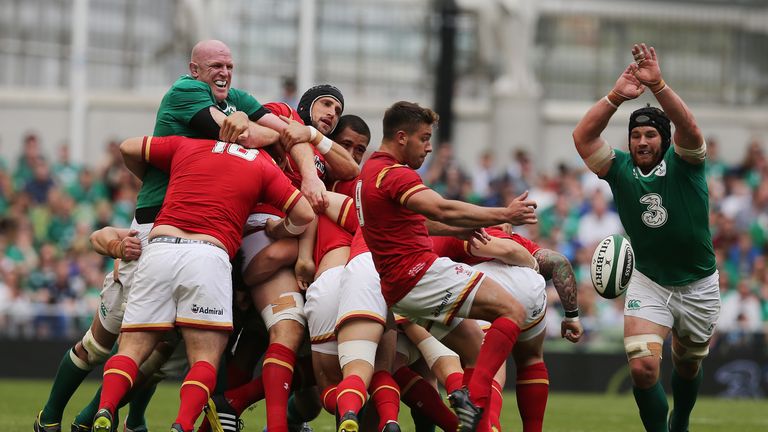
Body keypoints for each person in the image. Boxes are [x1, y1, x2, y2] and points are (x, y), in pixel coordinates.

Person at [91, 135, 315, 432]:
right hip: (208, 254)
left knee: (131, 350)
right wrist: (279, 227)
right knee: (205, 358)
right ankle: (182, 425)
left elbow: (128, 147)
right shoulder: (262, 163)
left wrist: (151, 176)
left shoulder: (189, 144)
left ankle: (105, 410)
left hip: (159, 249)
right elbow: (305, 213)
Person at [353, 101, 538, 432]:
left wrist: (459, 230)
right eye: (423, 138)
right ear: (401, 137)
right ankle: (473, 398)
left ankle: (472, 418)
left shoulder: (368, 174)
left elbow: (420, 223)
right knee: (513, 311)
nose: (428, 146)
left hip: (399, 290)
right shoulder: (393, 174)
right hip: (420, 275)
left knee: (475, 349)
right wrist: (505, 214)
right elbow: (440, 209)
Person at [572, 43, 719, 432]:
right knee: (642, 366)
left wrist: (659, 86)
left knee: (688, 364)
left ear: (664, 140)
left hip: (699, 284)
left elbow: (690, 128)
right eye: (635, 135)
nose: (641, 142)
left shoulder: (685, 164)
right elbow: (584, 138)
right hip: (650, 281)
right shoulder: (619, 170)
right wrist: (617, 95)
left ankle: (680, 422)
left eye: (650, 135)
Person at [33, 227, 141, 432]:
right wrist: (118, 249)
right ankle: (58, 418)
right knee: (134, 357)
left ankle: (93, 418)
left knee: (148, 360)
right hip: (134, 279)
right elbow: (98, 236)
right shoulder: (161, 208)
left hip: (163, 279)